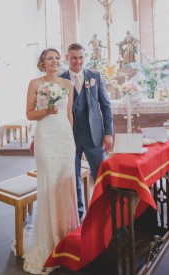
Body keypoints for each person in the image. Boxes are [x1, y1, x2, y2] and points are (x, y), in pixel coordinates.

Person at [21, 48, 79, 274]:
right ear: (42, 63)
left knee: (65, 185)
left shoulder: (68, 85)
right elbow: (29, 114)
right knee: (48, 185)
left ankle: (67, 236)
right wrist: (46, 110)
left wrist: (71, 140)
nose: (54, 62)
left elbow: (70, 115)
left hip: (64, 139)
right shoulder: (35, 83)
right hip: (45, 138)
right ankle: (49, 240)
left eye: (56, 58)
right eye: (49, 59)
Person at [61, 43, 114, 220]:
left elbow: (106, 106)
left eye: (81, 57)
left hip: (94, 135)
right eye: (74, 57)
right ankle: (79, 214)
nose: (78, 61)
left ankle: (104, 212)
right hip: (70, 137)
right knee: (73, 177)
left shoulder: (95, 76)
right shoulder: (60, 80)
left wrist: (108, 133)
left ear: (85, 57)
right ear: (67, 57)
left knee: (100, 175)